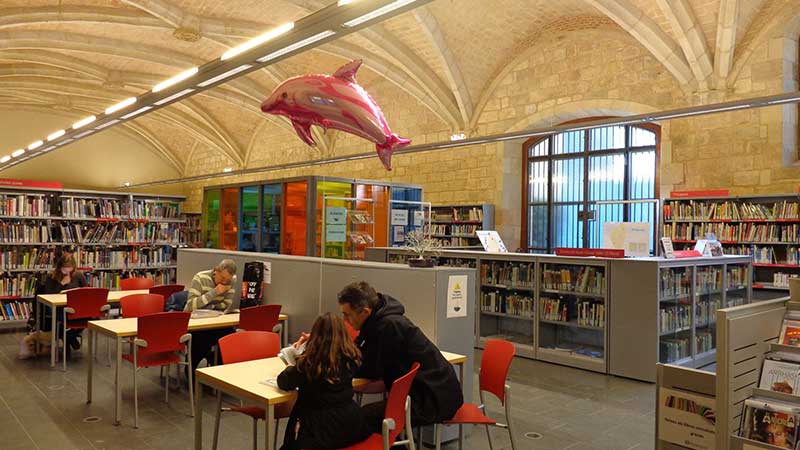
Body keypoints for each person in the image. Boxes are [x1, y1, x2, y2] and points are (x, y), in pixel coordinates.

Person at [337, 281, 463, 431]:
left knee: (362, 417)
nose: (345, 320)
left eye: (347, 315)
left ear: (364, 312)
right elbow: (357, 350)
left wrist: (336, 365)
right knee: (364, 415)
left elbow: (369, 370)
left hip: (433, 398)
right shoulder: (377, 320)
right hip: (429, 391)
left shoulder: (388, 327)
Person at [277, 313, 370, 450]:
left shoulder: (310, 363)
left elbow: (283, 381)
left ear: (315, 335)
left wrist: (295, 363)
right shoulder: (352, 358)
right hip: (350, 425)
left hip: (318, 429)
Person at [183, 259, 237, 377]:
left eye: (227, 280)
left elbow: (225, 305)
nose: (224, 282)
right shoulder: (200, 278)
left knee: (231, 336)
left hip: (214, 321)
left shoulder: (231, 281)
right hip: (195, 323)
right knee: (201, 340)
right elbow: (191, 305)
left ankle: (219, 372)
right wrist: (215, 292)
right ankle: (192, 371)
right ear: (216, 270)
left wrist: (209, 305)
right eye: (222, 278)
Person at [36, 254, 87, 351]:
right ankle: (70, 339)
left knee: (91, 317)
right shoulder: (52, 276)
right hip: (59, 308)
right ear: (59, 267)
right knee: (61, 319)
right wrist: (61, 284)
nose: (67, 271)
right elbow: (48, 295)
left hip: (75, 307)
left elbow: (86, 290)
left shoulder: (78, 275)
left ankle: (67, 337)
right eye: (64, 268)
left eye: (70, 268)